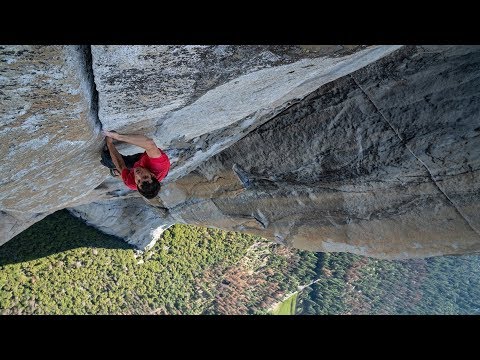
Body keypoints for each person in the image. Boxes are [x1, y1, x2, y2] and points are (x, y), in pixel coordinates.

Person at [100, 130, 170, 199]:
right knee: (149, 150)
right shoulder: (159, 165)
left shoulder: (132, 183)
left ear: (136, 185)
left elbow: (120, 165)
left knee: (107, 159)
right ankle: (118, 174)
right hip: (146, 161)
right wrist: (118, 137)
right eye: (145, 177)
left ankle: (118, 174)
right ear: (152, 175)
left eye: (138, 181)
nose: (138, 175)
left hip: (141, 165)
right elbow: (150, 144)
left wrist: (109, 143)